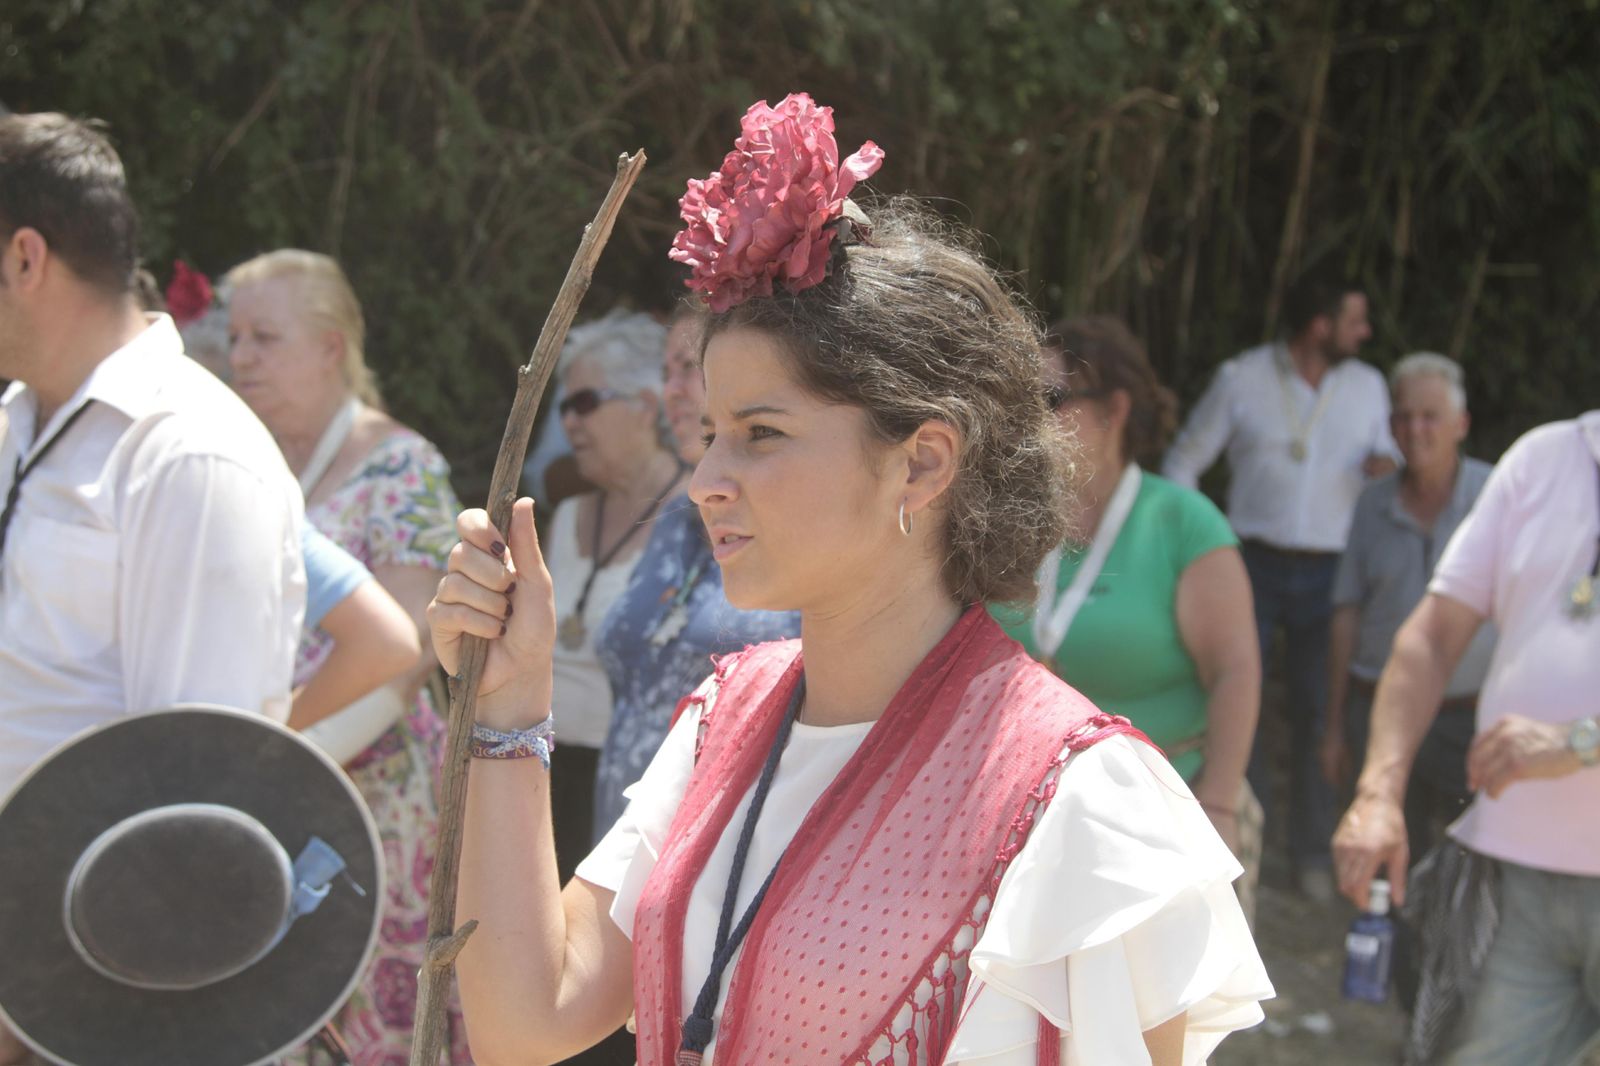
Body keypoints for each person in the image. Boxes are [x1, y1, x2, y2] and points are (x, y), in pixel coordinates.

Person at [427, 94, 1270, 1065]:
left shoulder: (1078, 796)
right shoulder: (722, 723)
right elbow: (522, 1022)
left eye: (761, 434)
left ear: (919, 463)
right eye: (708, 434)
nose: (705, 482)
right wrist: (505, 710)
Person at [0, 112, 304, 1061]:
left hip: (94, 995)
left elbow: (191, 795)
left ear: (23, 259)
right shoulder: (15, 419)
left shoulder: (191, 455)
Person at [225, 249, 467, 1064]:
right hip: (261, 786)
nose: (241, 356)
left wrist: (284, 757)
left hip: (369, 801)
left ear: (332, 347)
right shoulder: (247, 459)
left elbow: (408, 655)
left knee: (365, 1025)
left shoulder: (401, 465)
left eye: (265, 336)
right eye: (234, 337)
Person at [1332, 410, 1600, 1066]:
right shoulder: (1543, 457)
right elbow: (1430, 638)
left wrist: (1583, 741)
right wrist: (1379, 791)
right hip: (1515, 881)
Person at [994, 315, 1263, 917]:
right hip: (1031, 820)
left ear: (1114, 410)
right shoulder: (1010, 524)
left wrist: (1219, 803)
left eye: (1052, 398)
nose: (1032, 417)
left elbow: (1236, 671)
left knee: (1165, 1012)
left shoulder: (1182, 524)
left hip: (1168, 812)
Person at [1163, 273, 1398, 899]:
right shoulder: (1243, 378)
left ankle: (1315, 854)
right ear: (1319, 325)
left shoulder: (1367, 386)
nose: (1365, 333)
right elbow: (1184, 460)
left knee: (1321, 708)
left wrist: (1385, 465)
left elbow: (1390, 459)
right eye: (1355, 319)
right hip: (1252, 564)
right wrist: (1199, 547)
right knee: (1247, 704)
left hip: (1333, 568)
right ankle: (1248, 843)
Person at [591, 302, 798, 841]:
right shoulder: (674, 517)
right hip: (622, 848)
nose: (673, 390)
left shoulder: (801, 528)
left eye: (689, 368)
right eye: (666, 372)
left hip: (728, 856)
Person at [1320, 353, 1494, 857]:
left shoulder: (1496, 494)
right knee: (1384, 858)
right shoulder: (1372, 503)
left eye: (1430, 416)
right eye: (1403, 417)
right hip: (1375, 708)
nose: (1415, 430)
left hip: (1469, 717)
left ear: (1461, 424)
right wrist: (1334, 727)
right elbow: (1346, 612)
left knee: (1471, 865)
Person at [540, 309, 689, 878]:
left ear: (645, 406)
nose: (570, 424)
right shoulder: (568, 516)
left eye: (585, 404)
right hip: (544, 771)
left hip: (638, 786)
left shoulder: (699, 517)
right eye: (564, 408)